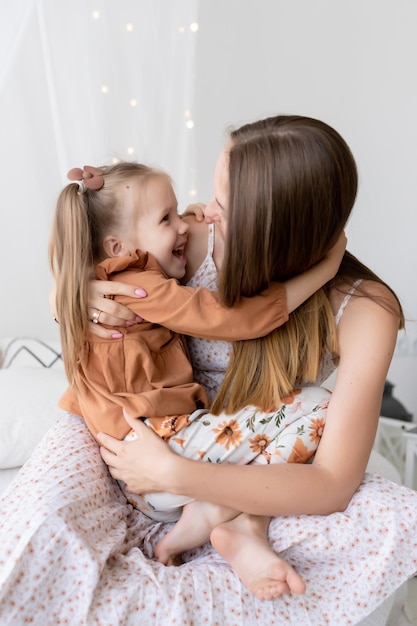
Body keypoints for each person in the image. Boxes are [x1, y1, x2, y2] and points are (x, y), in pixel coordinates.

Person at [1, 115, 416, 626]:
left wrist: (178, 473)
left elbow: (332, 481)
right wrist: (73, 297)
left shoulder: (365, 311)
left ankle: (242, 525)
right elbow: (104, 270)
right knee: (39, 528)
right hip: (136, 434)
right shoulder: (191, 241)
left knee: (389, 516)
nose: (203, 212)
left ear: (273, 228)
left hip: (201, 452)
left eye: (223, 202)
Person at [49, 161, 339, 542]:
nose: (184, 226)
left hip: (152, 463)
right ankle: (214, 512)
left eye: (178, 211)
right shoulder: (138, 285)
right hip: (159, 453)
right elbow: (230, 318)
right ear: (119, 248)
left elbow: (166, 235)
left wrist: (185, 215)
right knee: (323, 407)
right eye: (166, 218)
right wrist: (327, 267)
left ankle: (221, 514)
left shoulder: (108, 278)